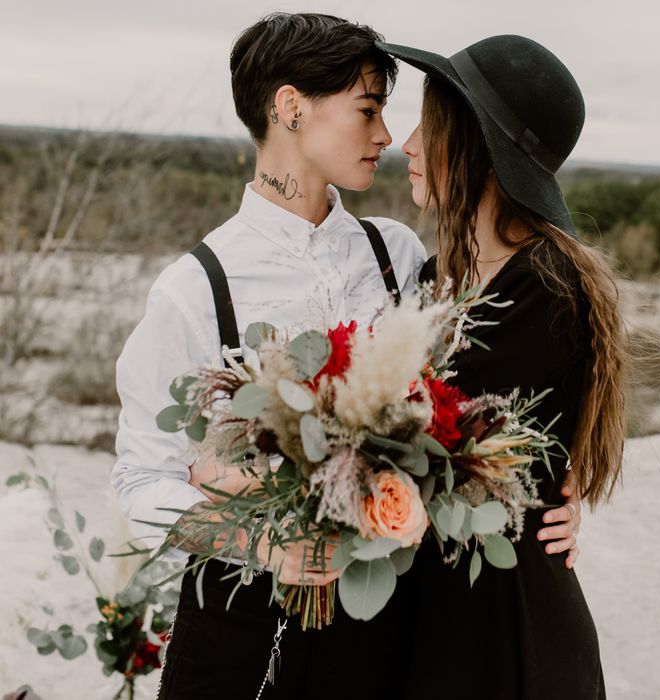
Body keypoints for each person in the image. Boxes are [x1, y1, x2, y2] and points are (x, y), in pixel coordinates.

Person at [111, 14, 581, 700]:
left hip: (380, 633)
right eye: (368, 109)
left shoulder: (399, 255)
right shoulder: (195, 289)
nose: (387, 135)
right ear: (292, 109)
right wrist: (267, 545)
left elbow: (471, 405)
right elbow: (139, 484)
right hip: (240, 629)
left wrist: (547, 502)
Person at [378, 34, 627, 698]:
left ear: (477, 148)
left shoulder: (547, 287)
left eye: (425, 127)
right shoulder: (436, 277)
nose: (405, 145)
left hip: (506, 626)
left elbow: (414, 447)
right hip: (439, 612)